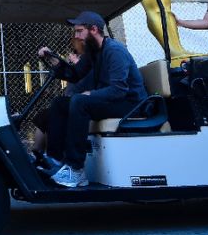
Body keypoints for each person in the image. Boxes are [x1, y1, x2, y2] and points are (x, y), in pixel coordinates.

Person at [38, 11, 146, 188]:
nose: (76, 36)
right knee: (60, 103)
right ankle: (56, 161)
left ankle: (76, 169)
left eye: (79, 31)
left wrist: (91, 95)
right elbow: (74, 74)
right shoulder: (93, 53)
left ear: (94, 29)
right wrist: (52, 59)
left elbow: (119, 90)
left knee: (79, 101)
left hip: (130, 104)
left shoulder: (115, 51)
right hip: (113, 101)